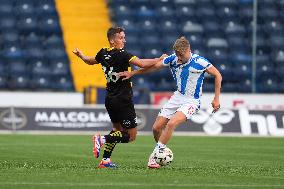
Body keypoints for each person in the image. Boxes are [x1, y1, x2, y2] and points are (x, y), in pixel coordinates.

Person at [118, 36, 222, 169]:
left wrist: (216, 98)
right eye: (177, 54)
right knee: (156, 128)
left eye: (181, 55)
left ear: (189, 50)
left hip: (192, 100)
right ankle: (160, 151)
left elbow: (218, 75)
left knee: (172, 123)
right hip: (177, 97)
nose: (178, 58)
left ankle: (155, 154)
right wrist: (133, 73)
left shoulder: (200, 62)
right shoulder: (173, 59)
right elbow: (154, 67)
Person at [73, 27, 162, 168]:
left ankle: (105, 161)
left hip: (110, 98)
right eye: (121, 37)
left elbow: (90, 61)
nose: (124, 40)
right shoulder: (122, 54)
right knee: (131, 136)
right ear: (112, 40)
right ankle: (101, 139)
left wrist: (81, 56)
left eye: (124, 37)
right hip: (123, 99)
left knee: (116, 130)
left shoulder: (102, 52)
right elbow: (142, 64)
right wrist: (159, 58)